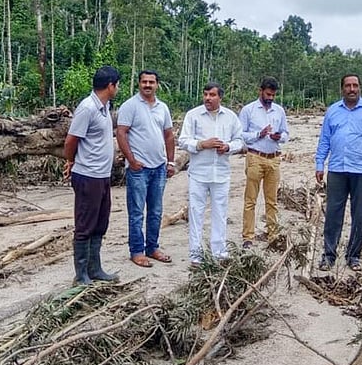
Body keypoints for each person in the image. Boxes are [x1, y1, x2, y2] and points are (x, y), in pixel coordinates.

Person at [314, 74, 362, 272]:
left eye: (355, 85)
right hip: (337, 170)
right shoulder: (332, 111)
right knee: (333, 214)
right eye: (348, 85)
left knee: (359, 215)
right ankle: (329, 256)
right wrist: (319, 164)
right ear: (342, 88)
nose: (351, 89)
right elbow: (324, 140)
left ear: (360, 88)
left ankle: (354, 256)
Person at [63, 65, 122, 285]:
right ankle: (81, 275)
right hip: (88, 176)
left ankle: (95, 269)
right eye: (117, 85)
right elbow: (71, 140)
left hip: (102, 176)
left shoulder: (104, 107)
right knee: (85, 224)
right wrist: (71, 161)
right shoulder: (87, 108)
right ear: (110, 85)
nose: (118, 88)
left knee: (100, 223)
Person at [179, 82, 244, 265]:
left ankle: (219, 252)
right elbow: (183, 141)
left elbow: (239, 140)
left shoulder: (230, 117)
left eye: (212, 95)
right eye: (206, 94)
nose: (208, 98)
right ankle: (196, 254)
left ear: (220, 97)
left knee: (220, 212)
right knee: (196, 212)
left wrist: (228, 147)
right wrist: (201, 144)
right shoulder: (193, 115)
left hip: (221, 173)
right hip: (198, 173)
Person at [116, 70, 176, 268]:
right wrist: (131, 161)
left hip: (159, 167)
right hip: (138, 169)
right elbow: (121, 134)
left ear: (157, 84)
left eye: (151, 82)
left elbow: (168, 135)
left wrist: (171, 161)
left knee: (156, 211)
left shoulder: (162, 108)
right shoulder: (130, 106)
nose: (147, 85)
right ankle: (137, 251)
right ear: (139, 84)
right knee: (136, 212)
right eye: (144, 82)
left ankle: (152, 247)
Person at [239, 77, 289, 248]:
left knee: (272, 200)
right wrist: (258, 134)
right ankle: (248, 237)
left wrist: (279, 137)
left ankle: (273, 236)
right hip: (255, 157)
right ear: (260, 91)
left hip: (274, 158)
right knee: (250, 199)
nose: (270, 98)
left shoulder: (279, 111)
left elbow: (286, 134)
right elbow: (240, 134)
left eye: (273, 95)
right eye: (268, 94)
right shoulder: (248, 110)